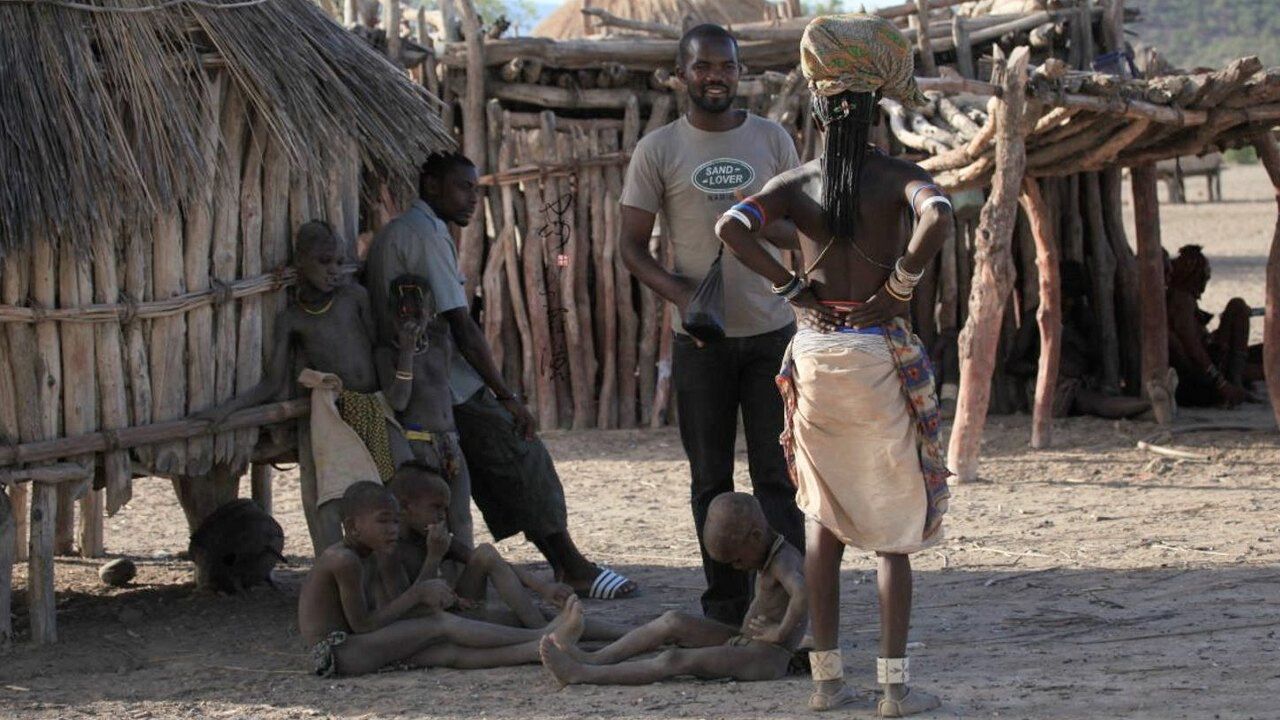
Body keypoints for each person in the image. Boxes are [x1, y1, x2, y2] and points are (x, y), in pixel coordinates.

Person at [714, 15, 951, 716]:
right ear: (875, 108)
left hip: (816, 351)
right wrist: (899, 289)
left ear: (819, 107)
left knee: (821, 523)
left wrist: (793, 291)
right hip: (876, 353)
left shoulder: (795, 183)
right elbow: (938, 214)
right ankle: (893, 691)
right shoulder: (898, 175)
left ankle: (825, 685)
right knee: (891, 533)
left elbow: (732, 227)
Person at [365, 153, 636, 599]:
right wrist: (507, 394)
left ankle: (554, 563)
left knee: (492, 471)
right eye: (462, 187)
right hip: (440, 384)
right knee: (521, 453)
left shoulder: (408, 231)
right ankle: (570, 566)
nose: (473, 198)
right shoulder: (423, 233)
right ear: (431, 187)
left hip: (429, 379)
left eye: (476, 189)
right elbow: (462, 327)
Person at [619, 22, 804, 626]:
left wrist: (752, 220)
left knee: (778, 477)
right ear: (681, 75)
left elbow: (800, 228)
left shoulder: (772, 140)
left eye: (725, 66)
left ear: (739, 72)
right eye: (702, 67)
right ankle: (727, 606)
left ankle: (785, 607)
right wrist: (683, 297)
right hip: (701, 341)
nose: (714, 76)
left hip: (772, 335)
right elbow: (631, 248)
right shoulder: (659, 150)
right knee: (710, 479)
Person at [200, 220, 411, 553]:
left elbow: (381, 348)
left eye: (339, 263)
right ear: (300, 262)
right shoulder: (293, 319)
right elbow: (272, 383)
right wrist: (227, 409)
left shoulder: (354, 297)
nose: (334, 271)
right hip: (335, 417)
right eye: (324, 262)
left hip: (375, 407)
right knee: (334, 498)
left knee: (399, 489)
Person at [298, 481, 586, 677]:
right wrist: (419, 593)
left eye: (395, 521)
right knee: (440, 625)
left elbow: (377, 617)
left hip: (356, 649)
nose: (392, 529)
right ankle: (542, 635)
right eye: (383, 521)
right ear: (351, 527)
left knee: (447, 653)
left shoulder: (369, 552)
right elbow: (362, 625)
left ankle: (537, 650)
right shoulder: (344, 560)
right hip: (336, 653)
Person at [539, 492, 805, 686]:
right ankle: (595, 658)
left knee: (674, 660)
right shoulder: (766, 552)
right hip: (746, 640)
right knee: (672, 620)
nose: (737, 567)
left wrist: (779, 633)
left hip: (766, 656)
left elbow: (803, 593)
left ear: (756, 536)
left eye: (737, 559)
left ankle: (582, 674)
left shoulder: (785, 561)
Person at [375, 273, 474, 549]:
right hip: (420, 445)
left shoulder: (440, 342)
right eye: (403, 308)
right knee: (426, 522)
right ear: (392, 313)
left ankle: (467, 582)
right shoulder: (387, 353)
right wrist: (406, 352)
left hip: (451, 442)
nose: (410, 314)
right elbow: (399, 401)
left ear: (429, 311)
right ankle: (429, 580)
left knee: (461, 517)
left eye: (417, 307)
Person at [1007, 261, 1153, 419]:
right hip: (1047, 389)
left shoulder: (1082, 318)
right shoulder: (1035, 319)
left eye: (1074, 296)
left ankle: (1146, 408)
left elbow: (1095, 359)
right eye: (1066, 295)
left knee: (1098, 400)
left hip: (1080, 384)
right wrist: (1048, 370)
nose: (1070, 301)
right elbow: (1012, 365)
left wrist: (1073, 340)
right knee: (1097, 404)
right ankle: (1147, 407)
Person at [1167, 245, 1262, 407]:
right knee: (1237, 306)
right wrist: (1222, 384)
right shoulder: (1182, 300)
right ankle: (1236, 382)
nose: (1204, 284)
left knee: (1264, 353)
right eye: (1204, 277)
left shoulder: (1184, 299)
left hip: (1211, 367)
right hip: (1204, 377)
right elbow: (1194, 349)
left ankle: (1237, 380)